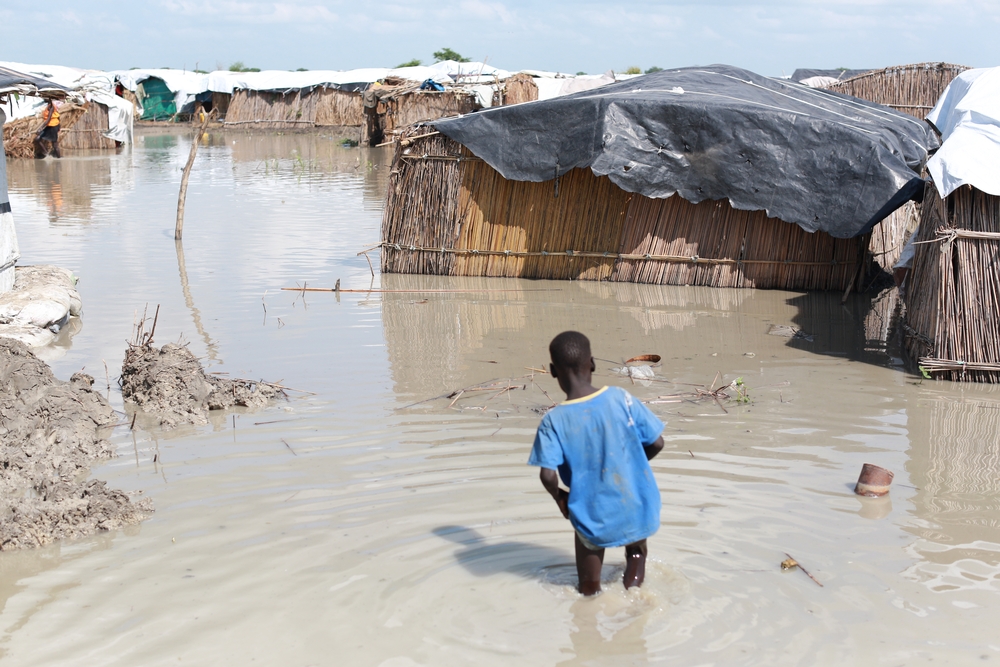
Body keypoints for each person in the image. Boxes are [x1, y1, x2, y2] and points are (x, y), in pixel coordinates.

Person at [529, 331, 664, 596]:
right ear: (592, 363)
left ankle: (589, 612)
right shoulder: (621, 398)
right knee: (636, 555)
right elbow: (657, 443)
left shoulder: (554, 420)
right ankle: (635, 595)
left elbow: (547, 475)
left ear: (553, 372)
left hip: (592, 513)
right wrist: (631, 467)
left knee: (588, 586)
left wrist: (559, 498)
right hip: (635, 505)